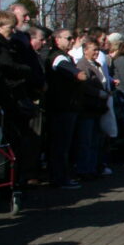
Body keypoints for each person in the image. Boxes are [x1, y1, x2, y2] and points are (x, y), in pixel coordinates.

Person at [44, 29, 88, 189]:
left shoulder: (64, 56)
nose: (71, 41)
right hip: (62, 107)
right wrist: (80, 74)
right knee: (61, 145)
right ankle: (59, 178)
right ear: (57, 40)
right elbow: (70, 70)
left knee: (63, 144)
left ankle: (61, 176)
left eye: (72, 38)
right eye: (68, 38)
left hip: (65, 106)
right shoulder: (58, 57)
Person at [74, 37, 110, 180]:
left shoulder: (96, 64)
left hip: (97, 108)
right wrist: (98, 93)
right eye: (94, 49)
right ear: (85, 50)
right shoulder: (82, 65)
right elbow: (84, 86)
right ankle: (84, 169)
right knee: (86, 140)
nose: (97, 52)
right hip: (88, 107)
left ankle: (93, 167)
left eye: (98, 49)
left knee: (95, 140)